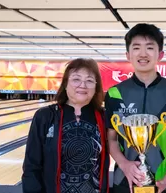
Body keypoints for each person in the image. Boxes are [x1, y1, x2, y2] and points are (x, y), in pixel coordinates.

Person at [105, 23, 166, 193]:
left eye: (150, 47)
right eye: (136, 47)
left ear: (160, 55)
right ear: (128, 54)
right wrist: (125, 165)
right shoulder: (115, 94)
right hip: (125, 181)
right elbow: (112, 139)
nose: (143, 53)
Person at [22, 58, 110, 193]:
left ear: (96, 86)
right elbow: (31, 165)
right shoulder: (44, 116)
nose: (83, 85)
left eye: (89, 80)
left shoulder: (104, 117)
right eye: (76, 79)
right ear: (65, 83)